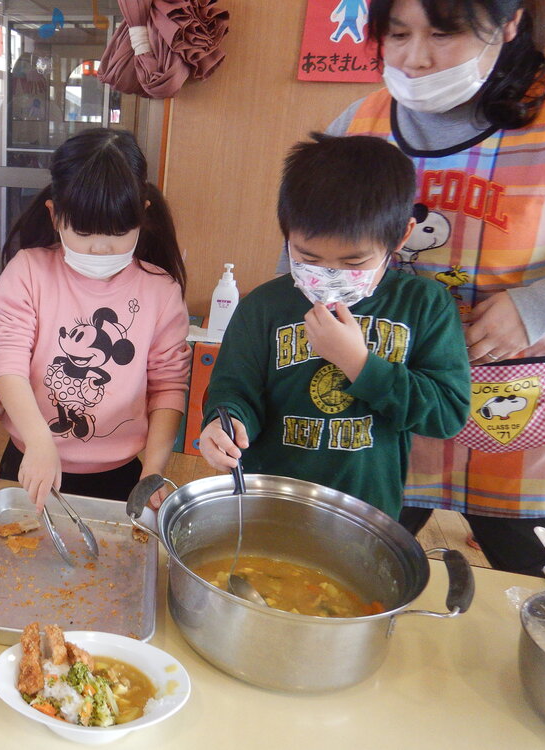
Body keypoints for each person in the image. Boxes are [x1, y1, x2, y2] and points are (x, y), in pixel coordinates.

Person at [319, 0, 545, 575]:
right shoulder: (358, 126)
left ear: (508, 23)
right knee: (353, 575)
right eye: (397, 35)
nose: (415, 59)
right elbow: (306, 257)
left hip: (516, 412)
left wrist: (536, 307)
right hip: (388, 403)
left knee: (532, 598)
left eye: (443, 34)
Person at [200, 134, 470, 520]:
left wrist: (360, 364)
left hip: (366, 507)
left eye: (353, 261)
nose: (328, 275)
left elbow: (446, 413)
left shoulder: (424, 305)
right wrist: (224, 422)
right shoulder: (264, 306)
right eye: (307, 256)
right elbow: (234, 387)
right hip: (265, 499)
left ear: (402, 235)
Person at [0, 128, 191, 510]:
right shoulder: (29, 271)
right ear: (55, 215)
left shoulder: (159, 290)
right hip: (32, 455)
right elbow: (9, 362)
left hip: (122, 473)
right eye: (82, 233)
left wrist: (154, 468)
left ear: (142, 214)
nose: (99, 248)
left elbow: (169, 384)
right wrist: (38, 441)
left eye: (117, 234)